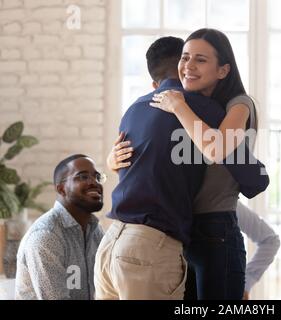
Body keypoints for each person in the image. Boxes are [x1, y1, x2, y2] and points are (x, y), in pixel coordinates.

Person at [95, 37, 268, 300]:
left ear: (154, 79)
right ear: (181, 65)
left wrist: (109, 163)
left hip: (111, 242)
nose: (192, 65)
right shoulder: (202, 109)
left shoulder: (133, 110)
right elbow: (255, 179)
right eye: (189, 58)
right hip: (150, 249)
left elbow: (134, 168)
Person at [149, 28, 266, 299]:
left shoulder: (240, 105)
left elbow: (216, 149)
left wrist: (178, 106)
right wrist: (112, 159)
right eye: (185, 57)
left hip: (217, 230)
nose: (188, 66)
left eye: (200, 60)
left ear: (223, 70)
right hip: (182, 228)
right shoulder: (195, 104)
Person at [15, 154, 105, 300]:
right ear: (61, 189)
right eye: (83, 177)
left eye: (97, 177)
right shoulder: (46, 235)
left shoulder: (96, 231)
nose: (94, 182)